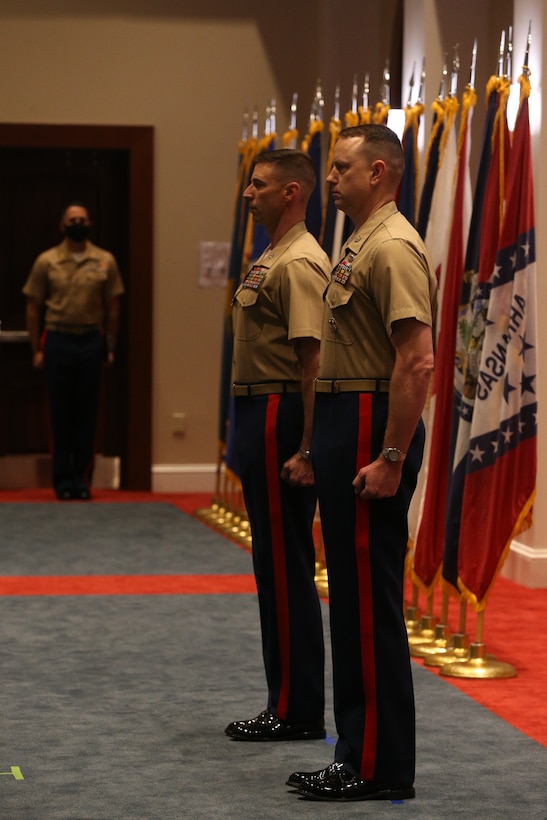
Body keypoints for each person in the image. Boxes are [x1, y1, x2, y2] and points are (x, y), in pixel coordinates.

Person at [287, 125, 437, 801]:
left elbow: (417, 361)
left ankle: (377, 765)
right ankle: (357, 753)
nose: (329, 178)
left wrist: (390, 456)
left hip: (370, 427)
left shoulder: (392, 245)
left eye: (341, 167)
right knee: (349, 602)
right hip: (346, 421)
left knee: (368, 606)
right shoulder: (359, 242)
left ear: (377, 172)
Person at [225, 149, 331, 741]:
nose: (248, 193)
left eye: (259, 184)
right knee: (272, 562)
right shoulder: (272, 254)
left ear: (291, 192)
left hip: (278, 414)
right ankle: (287, 700)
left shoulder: (300, 261)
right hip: (256, 409)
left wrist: (309, 447)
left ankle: (295, 709)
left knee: (285, 565)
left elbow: (312, 361)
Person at [22, 201, 124, 501]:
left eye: (82, 219)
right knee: (60, 413)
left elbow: (113, 307)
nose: (78, 224)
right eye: (72, 219)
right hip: (58, 339)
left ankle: (81, 478)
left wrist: (109, 346)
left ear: (89, 224)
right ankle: (62, 479)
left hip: (90, 341)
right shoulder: (47, 261)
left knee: (87, 413)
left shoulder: (104, 260)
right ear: (62, 225)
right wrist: (35, 349)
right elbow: (32, 307)